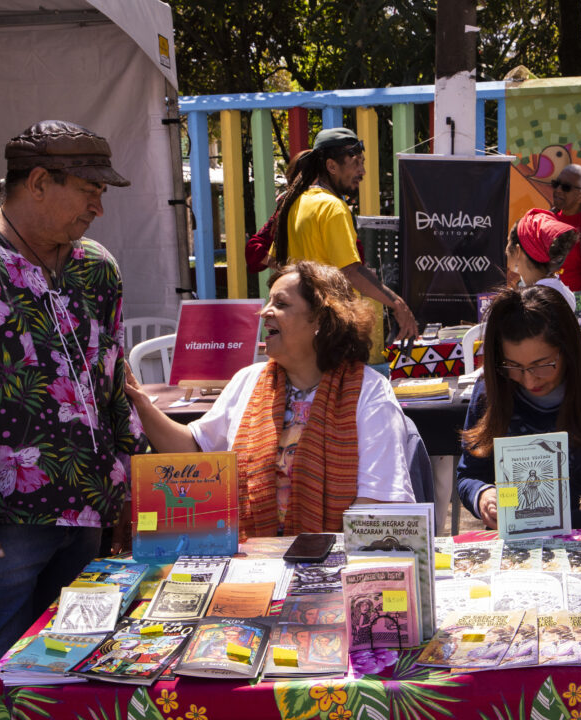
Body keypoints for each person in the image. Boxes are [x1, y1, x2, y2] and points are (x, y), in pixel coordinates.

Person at [0, 120, 144, 720]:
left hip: (91, 506)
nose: (99, 204)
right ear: (38, 182)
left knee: (81, 672)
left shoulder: (97, 268)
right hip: (2, 520)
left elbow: (114, 379)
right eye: (89, 189)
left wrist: (133, 480)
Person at [126, 260, 415, 539]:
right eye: (269, 302)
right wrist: (141, 402)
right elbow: (193, 453)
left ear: (321, 319)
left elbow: (377, 502)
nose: (265, 312)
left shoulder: (369, 390)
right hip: (251, 562)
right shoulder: (248, 380)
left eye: (281, 304)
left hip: (329, 564)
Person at [456, 285, 581, 530]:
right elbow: (470, 474)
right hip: (518, 542)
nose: (530, 380)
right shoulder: (491, 392)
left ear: (568, 350)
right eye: (514, 366)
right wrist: (483, 496)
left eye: (542, 365)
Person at [272, 127, 418, 340]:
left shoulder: (295, 203)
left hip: (298, 330)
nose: (363, 171)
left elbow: (273, 260)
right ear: (331, 166)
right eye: (356, 162)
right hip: (331, 330)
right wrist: (398, 304)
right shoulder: (332, 206)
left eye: (363, 163)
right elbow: (351, 271)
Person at [505, 208, 578, 310]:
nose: (506, 249)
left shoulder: (531, 302)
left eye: (508, 241)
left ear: (518, 251)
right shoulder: (563, 291)